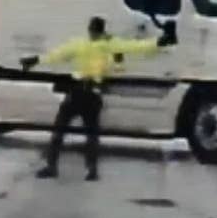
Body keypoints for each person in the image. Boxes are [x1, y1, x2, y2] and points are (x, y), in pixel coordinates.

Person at [21, 16, 174, 181]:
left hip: (76, 92)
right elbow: (136, 47)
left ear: (90, 30)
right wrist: (161, 41)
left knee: (59, 129)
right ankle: (91, 169)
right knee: (92, 134)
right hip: (93, 94)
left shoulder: (80, 44)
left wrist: (35, 60)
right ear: (102, 31)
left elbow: (57, 54)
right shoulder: (109, 45)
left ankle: (51, 166)